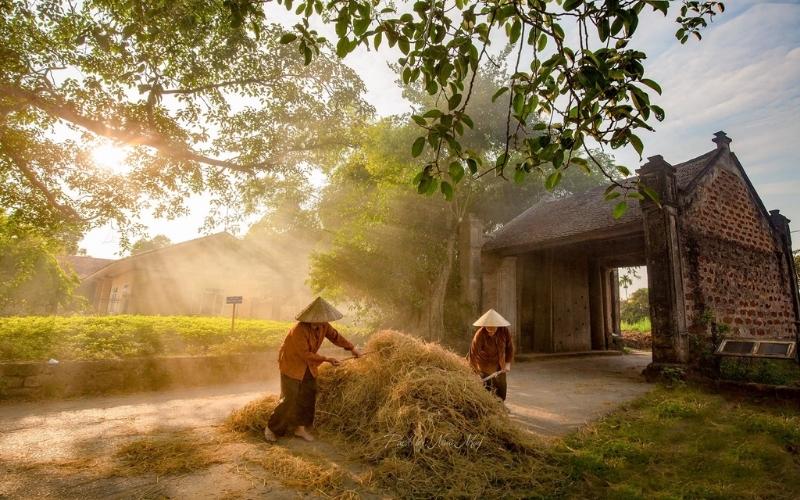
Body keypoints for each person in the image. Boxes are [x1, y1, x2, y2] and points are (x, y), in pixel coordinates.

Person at [264, 297, 360, 442]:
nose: (322, 321)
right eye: (319, 319)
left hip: (309, 365)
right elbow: (305, 354)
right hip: (292, 365)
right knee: (289, 398)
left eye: (324, 319)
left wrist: (351, 348)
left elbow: (335, 336)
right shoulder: (298, 330)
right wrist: (326, 359)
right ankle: (272, 428)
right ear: (311, 319)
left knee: (308, 396)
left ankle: (300, 429)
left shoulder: (323, 326)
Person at [467, 309, 514, 401]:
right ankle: (488, 404)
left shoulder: (504, 331)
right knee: (487, 388)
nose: (491, 333)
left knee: (501, 389)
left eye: (493, 330)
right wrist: (474, 372)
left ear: (498, 326)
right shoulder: (480, 334)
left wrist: (507, 363)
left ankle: (500, 404)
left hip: (499, 364)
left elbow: (510, 348)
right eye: (488, 330)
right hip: (484, 365)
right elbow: (473, 354)